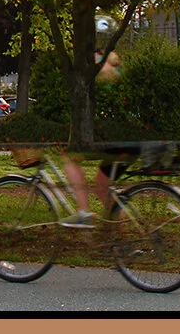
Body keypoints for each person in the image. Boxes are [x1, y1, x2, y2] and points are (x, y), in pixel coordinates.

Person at [59, 48, 124, 228]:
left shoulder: (100, 62)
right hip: (127, 137)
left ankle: (84, 213)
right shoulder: (116, 64)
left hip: (117, 137)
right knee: (102, 186)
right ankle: (122, 236)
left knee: (71, 158)